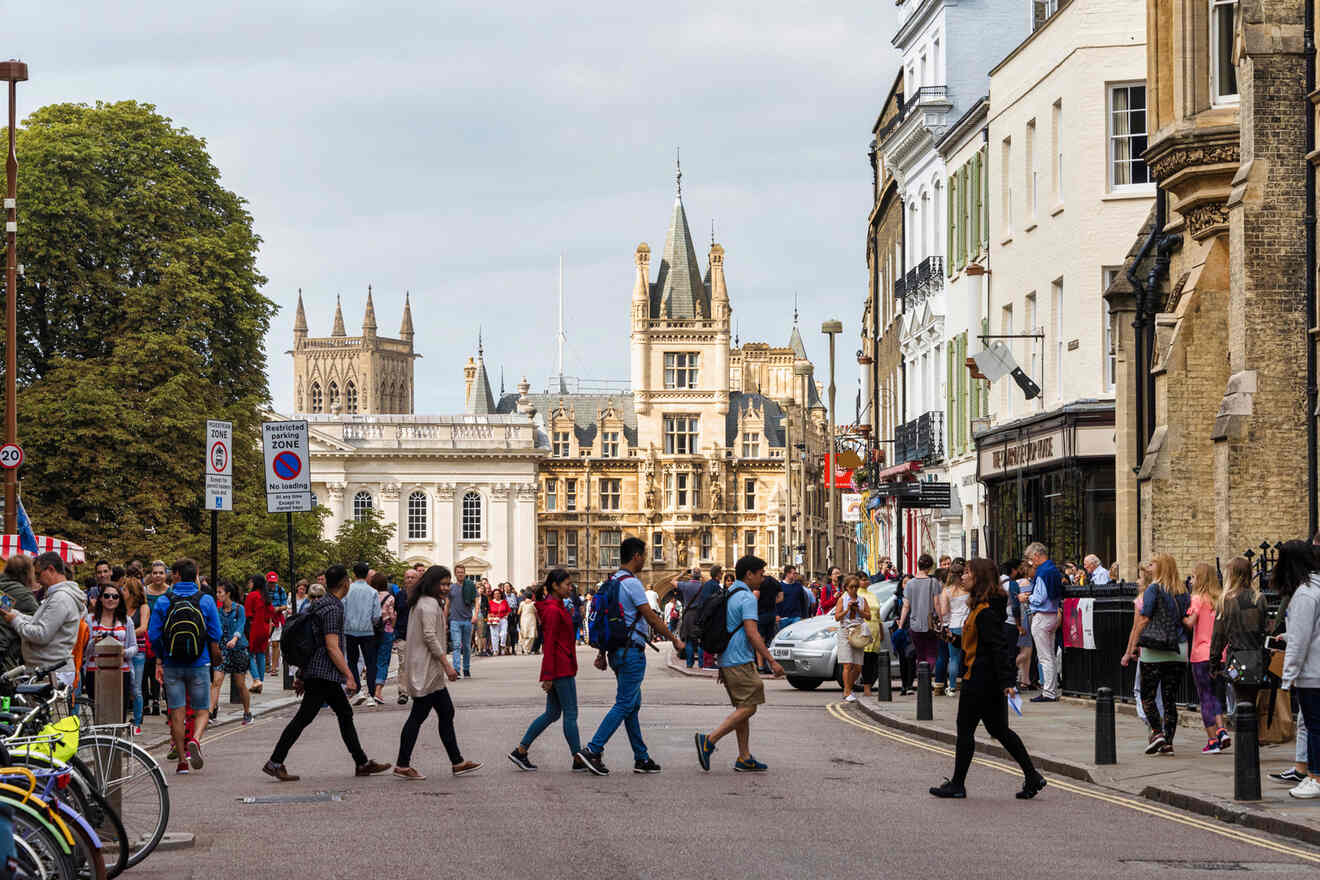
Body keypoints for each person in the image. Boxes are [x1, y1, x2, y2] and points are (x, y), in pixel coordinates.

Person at [930, 559, 1046, 800]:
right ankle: (1032, 775)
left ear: (979, 577)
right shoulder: (981, 606)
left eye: (968, 573)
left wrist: (1007, 683)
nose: (962, 576)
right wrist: (951, 638)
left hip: (981, 681)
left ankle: (957, 785)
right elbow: (977, 644)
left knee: (966, 730)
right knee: (999, 730)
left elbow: (998, 647)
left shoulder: (985, 611)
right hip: (984, 678)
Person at [263, 565, 391, 782]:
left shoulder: (319, 604)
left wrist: (303, 675)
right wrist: (349, 675)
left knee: (343, 714)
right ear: (345, 583)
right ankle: (275, 761)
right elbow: (332, 646)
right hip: (324, 673)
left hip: (318, 672)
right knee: (304, 718)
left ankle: (361, 762)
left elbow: (310, 643)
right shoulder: (333, 608)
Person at [576, 537, 685, 776]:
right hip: (631, 652)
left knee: (632, 706)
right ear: (636, 556)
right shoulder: (632, 583)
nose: (645, 559)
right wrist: (674, 639)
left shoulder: (612, 581)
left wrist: (602, 653)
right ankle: (593, 749)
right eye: (643, 555)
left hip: (616, 650)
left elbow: (610, 617)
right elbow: (651, 617)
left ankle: (641, 757)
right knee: (625, 703)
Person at [694, 555, 784, 773]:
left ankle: (744, 757)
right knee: (750, 705)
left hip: (728, 658)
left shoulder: (730, 592)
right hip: (739, 659)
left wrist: (722, 663)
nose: (763, 578)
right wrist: (772, 661)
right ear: (749, 574)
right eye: (760, 574)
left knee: (742, 707)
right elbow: (753, 634)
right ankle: (709, 740)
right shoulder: (747, 598)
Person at [393, 565, 481, 781]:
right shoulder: (428, 605)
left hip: (426, 669)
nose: (445, 588)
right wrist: (447, 665)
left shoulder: (422, 602)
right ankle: (403, 764)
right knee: (421, 715)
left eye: (447, 584)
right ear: (432, 583)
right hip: (427, 670)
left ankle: (457, 761)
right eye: (442, 584)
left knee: (445, 712)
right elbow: (431, 637)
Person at [148, 558, 222, 775]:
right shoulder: (206, 600)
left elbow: (154, 635)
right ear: (195, 575)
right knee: (202, 710)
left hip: (172, 664)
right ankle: (196, 741)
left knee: (177, 712)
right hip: (199, 662)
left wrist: (163, 656)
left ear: (177, 575)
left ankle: (182, 761)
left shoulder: (164, 601)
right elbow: (215, 634)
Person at [510, 569, 584, 771]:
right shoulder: (552, 609)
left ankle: (521, 750)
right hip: (560, 667)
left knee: (552, 713)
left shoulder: (557, 606)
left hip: (560, 665)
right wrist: (548, 675)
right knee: (570, 713)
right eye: (567, 584)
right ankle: (577, 757)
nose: (570, 588)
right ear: (554, 586)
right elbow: (549, 644)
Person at [1121, 553, 1190, 756]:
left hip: (1155, 649)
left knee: (1147, 696)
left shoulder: (1154, 588)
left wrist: (1133, 647)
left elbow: (1143, 619)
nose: (1149, 567)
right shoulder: (1183, 590)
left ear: (1161, 567)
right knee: (1169, 699)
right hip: (1179, 649)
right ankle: (1168, 742)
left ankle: (1157, 732)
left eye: (1152, 564)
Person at [1275, 540, 1320, 799]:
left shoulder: (1304, 594)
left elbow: (1301, 640)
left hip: (1312, 674)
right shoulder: (1316, 587)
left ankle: (1315, 777)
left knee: (1314, 727)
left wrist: (1287, 676)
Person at [2, 551, 85, 687]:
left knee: (51, 708)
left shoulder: (60, 598)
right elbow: (40, 623)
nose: (36, 580)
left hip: (51, 670)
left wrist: (14, 620)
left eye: (38, 574)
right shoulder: (57, 596)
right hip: (48, 669)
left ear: (51, 570)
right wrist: (17, 615)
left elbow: (41, 634)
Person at [1211, 557, 1267, 758]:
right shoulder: (1259, 598)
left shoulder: (1226, 601)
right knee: (1252, 702)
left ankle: (1245, 749)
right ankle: (1252, 743)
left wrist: (1213, 662)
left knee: (1240, 701)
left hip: (1237, 659)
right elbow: (1263, 630)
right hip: (1257, 659)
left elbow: (1218, 636)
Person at [1185, 563, 1228, 754]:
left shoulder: (1196, 598)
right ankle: (1221, 729)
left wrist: (1180, 616)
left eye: (1193, 577)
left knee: (1205, 696)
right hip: (1220, 654)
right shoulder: (1221, 600)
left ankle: (1213, 741)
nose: (1191, 581)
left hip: (1201, 654)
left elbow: (1191, 622)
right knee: (1216, 695)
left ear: (1200, 579)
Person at [83, 582, 137, 720]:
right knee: (98, 712)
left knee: (119, 712)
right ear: (100, 598)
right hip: (95, 671)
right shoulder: (91, 619)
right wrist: (93, 642)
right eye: (107, 595)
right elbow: (85, 651)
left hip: (121, 671)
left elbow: (134, 647)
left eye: (115, 596)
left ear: (119, 600)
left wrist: (123, 652)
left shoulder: (126, 621)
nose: (110, 599)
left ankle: (117, 739)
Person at [1021, 542, 1063, 703]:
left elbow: (1039, 597)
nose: (1031, 562)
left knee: (1045, 657)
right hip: (1052, 614)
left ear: (1037, 555)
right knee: (1050, 655)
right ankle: (1050, 689)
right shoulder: (1053, 570)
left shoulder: (1043, 572)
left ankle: (1048, 691)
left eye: (1031, 558)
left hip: (1042, 616)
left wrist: (1026, 598)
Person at [211, 580, 252, 726]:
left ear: (227, 593)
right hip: (223, 651)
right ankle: (210, 713)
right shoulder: (217, 611)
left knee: (240, 684)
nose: (217, 595)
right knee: (216, 682)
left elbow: (241, 626)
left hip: (238, 650)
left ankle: (247, 712)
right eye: (217, 592)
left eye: (220, 592)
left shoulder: (239, 609)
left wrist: (234, 639)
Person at [897, 554, 942, 678]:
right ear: (930, 567)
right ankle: (926, 677)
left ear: (918, 565)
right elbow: (937, 603)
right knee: (932, 653)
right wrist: (941, 620)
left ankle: (921, 678)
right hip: (930, 624)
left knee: (920, 654)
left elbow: (906, 606)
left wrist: (901, 624)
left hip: (915, 624)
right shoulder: (934, 582)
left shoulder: (910, 584)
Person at [343, 562, 382, 705]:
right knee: (371, 663)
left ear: (354, 574)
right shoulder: (372, 592)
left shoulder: (348, 590)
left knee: (352, 662)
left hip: (350, 630)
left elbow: (343, 610)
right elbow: (377, 616)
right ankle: (371, 695)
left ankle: (358, 690)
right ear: (367, 575)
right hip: (367, 631)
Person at [833, 576, 870, 703]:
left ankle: (849, 687)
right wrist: (847, 609)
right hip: (845, 631)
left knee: (858, 667)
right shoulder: (842, 600)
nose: (854, 589)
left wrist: (858, 610)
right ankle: (847, 691)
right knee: (847, 664)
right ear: (846, 588)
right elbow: (837, 618)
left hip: (858, 631)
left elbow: (868, 616)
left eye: (856, 587)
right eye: (851, 587)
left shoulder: (862, 600)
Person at [0, 555, 39, 671]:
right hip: (6, 654)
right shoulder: (22, 594)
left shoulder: (3, 588)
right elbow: (39, 620)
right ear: (27, 573)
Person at [141, 560, 169, 716]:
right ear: (151, 575)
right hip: (147, 635)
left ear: (166, 575)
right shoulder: (145, 592)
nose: (158, 576)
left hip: (164, 636)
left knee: (159, 669)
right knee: (146, 669)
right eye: (155, 572)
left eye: (161, 572)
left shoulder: (170, 592)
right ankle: (145, 702)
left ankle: (158, 700)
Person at [1003, 560, 1035, 691]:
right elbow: (1017, 605)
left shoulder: (1006, 582)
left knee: (1022, 651)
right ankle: (1010, 678)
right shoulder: (1022, 583)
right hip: (1020, 619)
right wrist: (1019, 625)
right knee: (1024, 652)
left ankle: (1024, 679)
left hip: (1010, 619)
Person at [939, 561, 969, 697]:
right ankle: (970, 684)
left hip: (954, 626)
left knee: (954, 659)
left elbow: (944, 611)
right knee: (970, 657)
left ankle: (951, 688)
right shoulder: (968, 589)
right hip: (969, 626)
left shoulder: (947, 591)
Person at [245, 574, 275, 694]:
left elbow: (248, 614)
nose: (249, 584)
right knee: (261, 655)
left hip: (254, 627)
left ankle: (256, 679)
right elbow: (272, 611)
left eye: (250, 581)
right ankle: (260, 681)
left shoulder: (252, 595)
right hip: (265, 628)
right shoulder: (266, 596)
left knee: (249, 654)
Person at [370, 573, 396, 702]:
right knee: (383, 660)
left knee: (372, 660)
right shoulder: (390, 597)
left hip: (371, 631)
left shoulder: (370, 596)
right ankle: (378, 691)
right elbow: (392, 616)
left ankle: (370, 690)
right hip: (386, 630)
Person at [448, 563, 476, 678]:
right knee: (456, 645)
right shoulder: (451, 588)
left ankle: (466, 668)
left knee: (466, 646)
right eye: (458, 572)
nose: (460, 574)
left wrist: (475, 615)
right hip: (454, 620)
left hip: (467, 620)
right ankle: (456, 669)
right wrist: (444, 620)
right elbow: (447, 605)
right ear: (455, 574)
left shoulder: (470, 586)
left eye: (462, 572)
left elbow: (477, 600)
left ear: (465, 573)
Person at [395, 568, 416, 704]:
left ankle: (416, 691)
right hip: (403, 634)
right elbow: (395, 614)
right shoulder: (400, 595)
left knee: (417, 665)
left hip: (418, 635)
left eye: (412, 577)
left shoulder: (422, 596)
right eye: (407, 577)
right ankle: (403, 692)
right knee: (403, 665)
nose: (409, 580)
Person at [754, 572, 782, 674]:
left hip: (760, 614)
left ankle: (761, 666)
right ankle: (768, 665)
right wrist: (771, 602)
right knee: (768, 642)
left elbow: (755, 596)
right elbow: (781, 597)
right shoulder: (774, 582)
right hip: (771, 614)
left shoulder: (758, 583)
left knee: (759, 641)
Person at [265, 572, 290, 683]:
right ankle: (266, 665)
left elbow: (285, 605)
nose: (272, 585)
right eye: (270, 582)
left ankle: (274, 667)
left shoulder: (281, 590)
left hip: (277, 617)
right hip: (265, 618)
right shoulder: (263, 591)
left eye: (274, 582)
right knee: (265, 642)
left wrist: (278, 608)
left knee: (275, 643)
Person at [775, 565, 809, 634]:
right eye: (794, 573)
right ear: (787, 574)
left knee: (796, 635)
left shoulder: (798, 586)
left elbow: (803, 602)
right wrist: (776, 614)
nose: (795, 575)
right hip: (783, 617)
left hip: (796, 617)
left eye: (796, 573)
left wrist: (804, 616)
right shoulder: (779, 586)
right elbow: (775, 602)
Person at [487, 588, 511, 657]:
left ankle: (502, 645)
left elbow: (508, 610)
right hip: (494, 619)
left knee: (504, 633)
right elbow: (488, 611)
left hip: (503, 619)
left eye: (498, 593)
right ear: (493, 595)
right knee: (494, 635)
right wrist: (489, 617)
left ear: (501, 594)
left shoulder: (504, 602)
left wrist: (506, 616)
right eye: (495, 594)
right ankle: (495, 650)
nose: (497, 595)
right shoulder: (490, 602)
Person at [518, 588, 539, 655]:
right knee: (526, 634)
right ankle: (526, 649)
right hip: (526, 619)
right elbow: (519, 612)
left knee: (530, 634)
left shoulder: (533, 603)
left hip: (530, 619)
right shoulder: (522, 603)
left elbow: (536, 613)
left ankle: (527, 648)